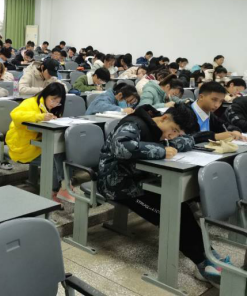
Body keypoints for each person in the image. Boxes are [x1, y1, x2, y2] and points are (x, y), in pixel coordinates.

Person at [97, 104, 227, 286]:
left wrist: (194, 138)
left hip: (141, 181)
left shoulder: (160, 129)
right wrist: (162, 150)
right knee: (170, 211)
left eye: (177, 133)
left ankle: (208, 256)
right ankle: (203, 263)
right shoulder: (133, 124)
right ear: (164, 118)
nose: (172, 135)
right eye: (173, 130)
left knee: (179, 207)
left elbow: (181, 142)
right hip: (118, 185)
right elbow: (122, 147)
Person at [6, 83, 72, 202]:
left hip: (39, 144)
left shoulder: (53, 108)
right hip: (22, 145)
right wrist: (39, 117)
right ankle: (53, 192)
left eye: (58, 102)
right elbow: (15, 115)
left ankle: (64, 187)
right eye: (53, 100)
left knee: (64, 153)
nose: (54, 104)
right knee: (52, 159)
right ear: (46, 95)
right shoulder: (30, 103)